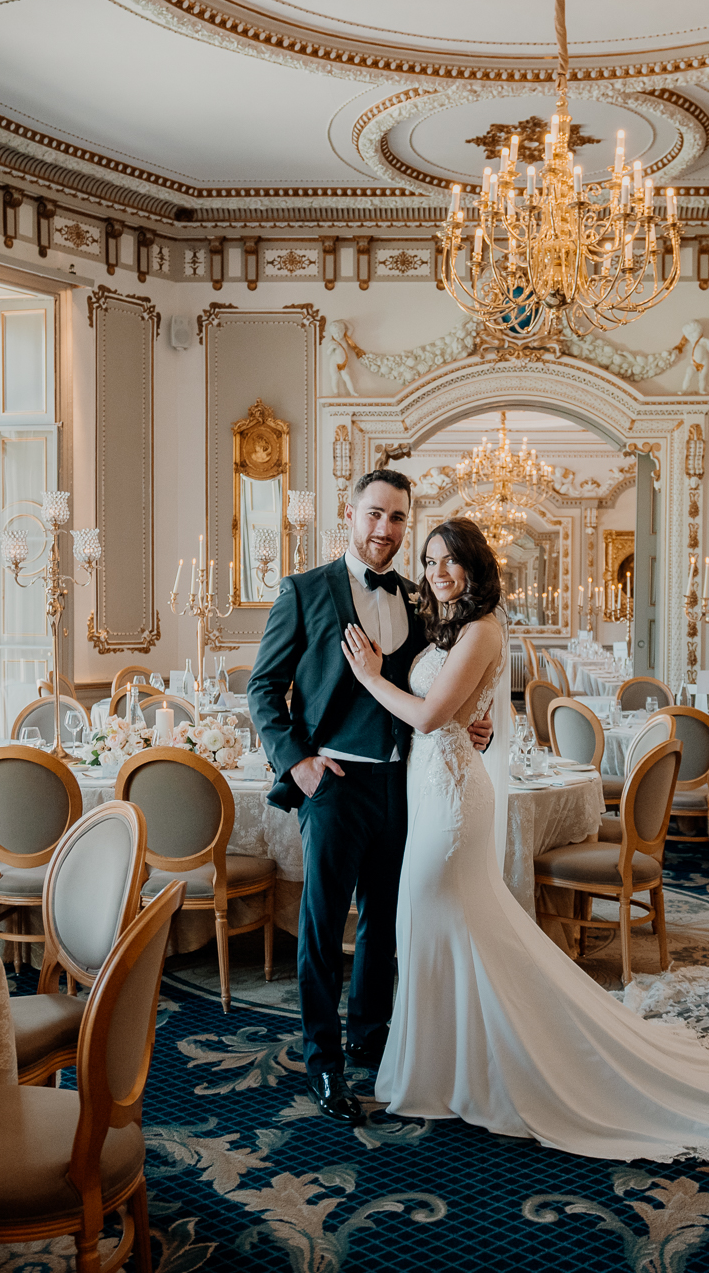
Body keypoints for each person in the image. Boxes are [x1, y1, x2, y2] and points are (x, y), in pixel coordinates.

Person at [338, 516, 709, 1159]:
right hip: (431, 790)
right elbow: (457, 712)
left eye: (449, 560)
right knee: (438, 924)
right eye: (430, 560)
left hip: (454, 802)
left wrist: (371, 678)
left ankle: (493, 1063)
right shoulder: (450, 628)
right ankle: (443, 1068)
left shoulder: (484, 628)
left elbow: (433, 716)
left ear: (474, 565)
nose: (437, 571)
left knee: (449, 917)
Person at [249, 469, 490, 1125]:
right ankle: (325, 1060)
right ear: (349, 514)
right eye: (376, 515)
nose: (386, 530)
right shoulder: (303, 591)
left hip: (406, 785)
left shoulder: (419, 599)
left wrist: (468, 722)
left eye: (398, 519)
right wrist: (297, 763)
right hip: (335, 786)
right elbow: (263, 689)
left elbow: (427, 690)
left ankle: (372, 1037)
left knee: (386, 924)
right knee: (322, 930)